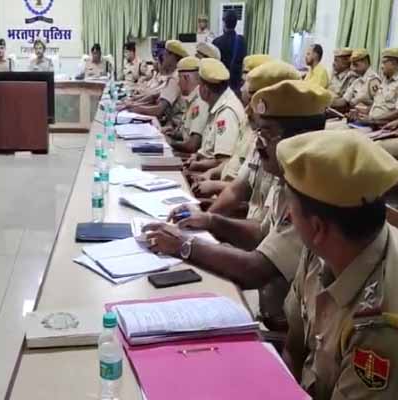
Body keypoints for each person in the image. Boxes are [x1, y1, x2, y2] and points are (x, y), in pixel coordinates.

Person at [143, 80, 331, 332]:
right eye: (258, 133)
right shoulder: (285, 178)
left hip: (284, 327)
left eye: (267, 134)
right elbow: (262, 233)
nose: (258, 144)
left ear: (298, 139)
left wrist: (185, 245)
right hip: (271, 314)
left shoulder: (313, 193)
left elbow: (257, 269)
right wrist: (211, 221)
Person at [280, 130, 398, 399]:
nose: (287, 215)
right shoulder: (321, 250)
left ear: (317, 227)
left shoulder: (381, 326)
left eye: (291, 208)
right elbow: (293, 348)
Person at [205, 61, 301, 220]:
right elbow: (236, 190)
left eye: (254, 104)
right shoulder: (261, 138)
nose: (246, 111)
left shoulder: (283, 149)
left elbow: (261, 228)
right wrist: (206, 218)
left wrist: (210, 221)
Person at [190, 56, 287, 198]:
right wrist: (210, 173)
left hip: (227, 196)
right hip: (223, 192)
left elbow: (245, 192)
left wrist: (213, 185)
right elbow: (233, 162)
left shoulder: (265, 135)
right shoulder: (250, 121)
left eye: (245, 83)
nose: (241, 88)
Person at [183, 58, 245, 175]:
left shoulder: (226, 113)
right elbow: (209, 151)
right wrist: (197, 156)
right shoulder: (218, 105)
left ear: (205, 90)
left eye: (199, 85)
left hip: (212, 177)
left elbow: (224, 162)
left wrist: (197, 165)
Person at [127, 40, 188, 122]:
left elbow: (158, 110)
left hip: (172, 124)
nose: (163, 58)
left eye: (165, 55)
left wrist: (133, 108)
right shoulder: (172, 76)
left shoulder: (175, 78)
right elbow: (154, 96)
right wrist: (133, 103)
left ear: (172, 57)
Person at [164, 56, 209, 155]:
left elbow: (192, 145)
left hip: (191, 157)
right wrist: (174, 134)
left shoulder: (199, 102)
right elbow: (188, 134)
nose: (178, 83)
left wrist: (169, 142)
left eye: (179, 78)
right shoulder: (192, 99)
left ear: (186, 78)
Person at [353, 48, 398, 128]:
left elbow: (396, 112)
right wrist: (364, 111)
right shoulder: (385, 81)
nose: (381, 67)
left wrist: (373, 119)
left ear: (394, 64)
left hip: (385, 127)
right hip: (371, 123)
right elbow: (379, 105)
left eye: (384, 62)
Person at [213, 10, 246, 93]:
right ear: (236, 23)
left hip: (221, 84)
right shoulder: (242, 41)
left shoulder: (217, 42)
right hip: (236, 84)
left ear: (224, 23)